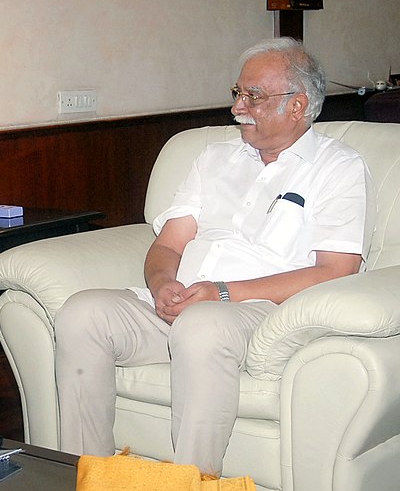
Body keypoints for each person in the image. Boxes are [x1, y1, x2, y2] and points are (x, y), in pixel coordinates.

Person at [54, 37, 375, 477]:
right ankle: (88, 475)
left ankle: (192, 482)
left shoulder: (338, 167)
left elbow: (336, 270)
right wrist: (162, 283)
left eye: (254, 96)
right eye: (238, 93)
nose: (238, 107)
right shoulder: (214, 157)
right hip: (186, 302)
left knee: (202, 325)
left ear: (298, 105)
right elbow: (168, 244)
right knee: (82, 312)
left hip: (262, 313)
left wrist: (222, 293)